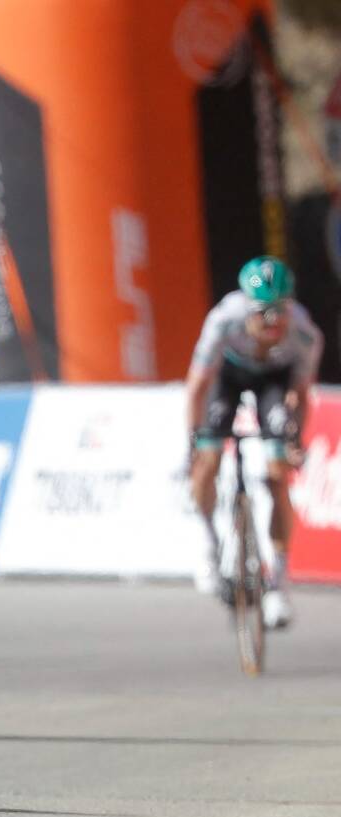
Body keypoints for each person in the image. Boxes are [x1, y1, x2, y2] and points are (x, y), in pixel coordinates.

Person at [187, 256, 322, 629]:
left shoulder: (305, 334)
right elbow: (197, 386)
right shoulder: (222, 321)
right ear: (247, 305)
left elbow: (300, 395)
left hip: (274, 383)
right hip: (226, 379)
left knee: (278, 474)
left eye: (280, 311)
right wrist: (193, 440)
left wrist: (294, 440)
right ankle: (209, 543)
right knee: (208, 458)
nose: (273, 322)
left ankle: (278, 582)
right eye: (264, 312)